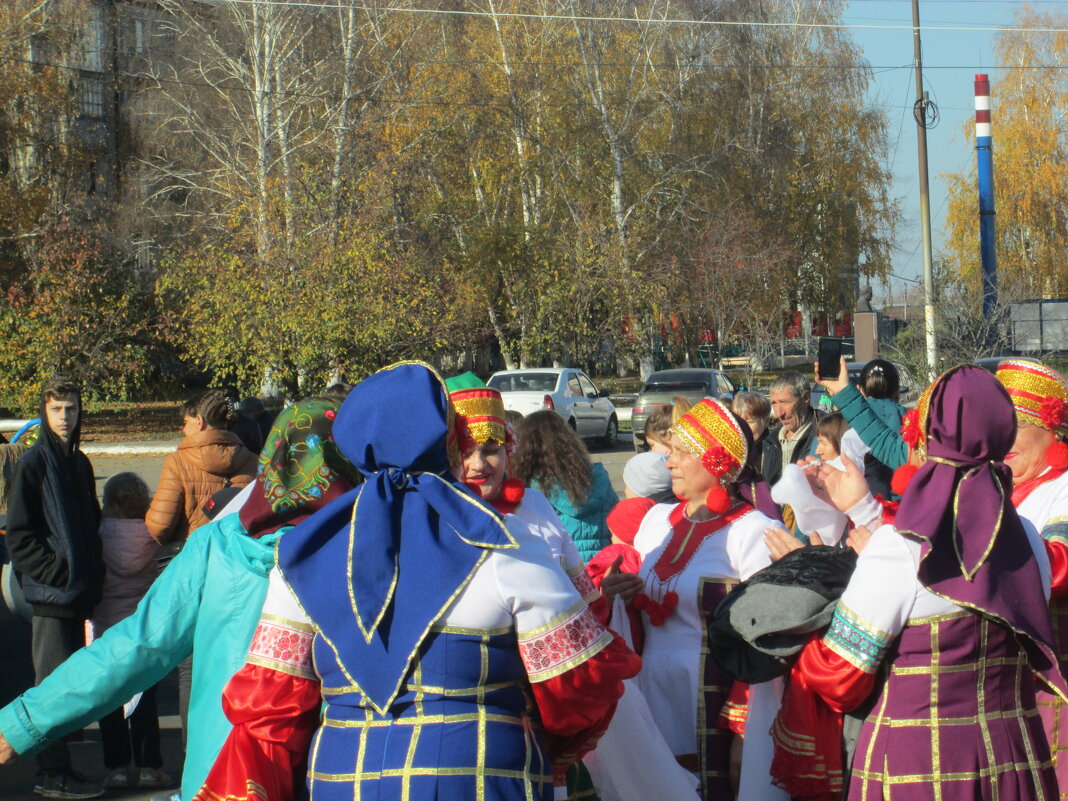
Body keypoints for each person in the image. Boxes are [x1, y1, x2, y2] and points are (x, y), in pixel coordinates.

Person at [192, 361, 641, 801]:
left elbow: (269, 706)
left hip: (343, 779)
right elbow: (581, 682)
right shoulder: (503, 540)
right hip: (484, 774)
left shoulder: (301, 555)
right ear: (448, 440)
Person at [0, 400, 359, 801]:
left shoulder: (217, 546)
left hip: (223, 776)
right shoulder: (374, 554)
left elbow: (134, 648)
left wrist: (22, 722)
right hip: (337, 776)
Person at [787, 365, 1065, 799]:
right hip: (1014, 761)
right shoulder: (1029, 537)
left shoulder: (898, 550)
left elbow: (839, 677)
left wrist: (799, 619)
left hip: (919, 765)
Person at [617, 398, 781, 800]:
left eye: (681, 453)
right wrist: (616, 593)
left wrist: (745, 728)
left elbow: (765, 643)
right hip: (650, 696)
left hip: (712, 702)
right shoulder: (655, 520)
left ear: (718, 463)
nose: (668, 463)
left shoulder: (753, 533)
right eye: (669, 452)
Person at [5, 376, 104, 800]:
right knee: (49, 689)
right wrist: (57, 571)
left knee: (68, 688)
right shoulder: (34, 463)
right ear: (44, 412)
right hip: (50, 596)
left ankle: (63, 768)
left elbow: (89, 524)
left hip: (78, 594)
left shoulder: (78, 462)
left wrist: (89, 573)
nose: (65, 417)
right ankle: (50, 773)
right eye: (57, 409)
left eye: (72, 408)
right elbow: (19, 536)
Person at [994, 359, 1068, 791]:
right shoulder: (1006, 487)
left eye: (1017, 425)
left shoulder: (1062, 487)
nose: (1004, 440)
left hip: (1053, 677)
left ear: (1051, 427)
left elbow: (1060, 566)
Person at [91, 473, 170, 792]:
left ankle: (117, 768)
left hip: (108, 626)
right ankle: (150, 766)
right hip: (143, 628)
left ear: (109, 502)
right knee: (145, 701)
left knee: (109, 698)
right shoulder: (151, 534)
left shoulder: (99, 535)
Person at [512, 410, 619, 563]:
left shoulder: (531, 488)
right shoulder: (599, 477)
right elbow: (616, 522)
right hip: (602, 568)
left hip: (562, 571)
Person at [768, 371, 823, 467]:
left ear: (805, 397)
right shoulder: (770, 442)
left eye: (784, 402)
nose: (779, 413)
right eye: (774, 403)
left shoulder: (828, 434)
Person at [733, 390, 782, 485]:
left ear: (766, 422)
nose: (742, 427)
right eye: (737, 422)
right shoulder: (727, 450)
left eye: (749, 422)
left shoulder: (777, 449)